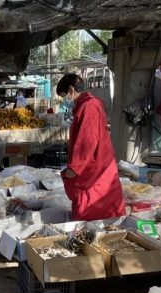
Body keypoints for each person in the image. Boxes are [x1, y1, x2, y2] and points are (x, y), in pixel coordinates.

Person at [56, 73, 125, 222]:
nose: (64, 101)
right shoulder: (86, 104)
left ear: (70, 90)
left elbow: (87, 141)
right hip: (97, 166)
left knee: (93, 213)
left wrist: (74, 168)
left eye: (63, 96)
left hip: (95, 170)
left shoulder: (89, 106)